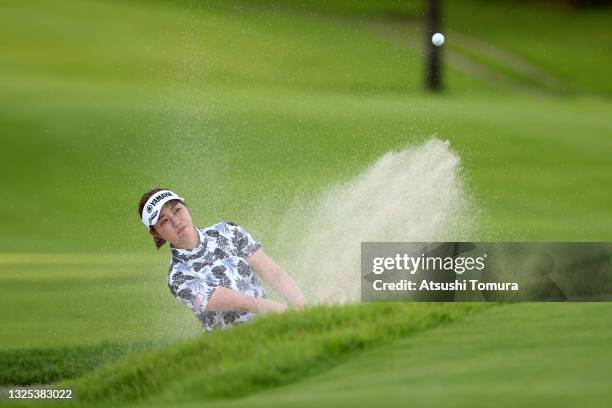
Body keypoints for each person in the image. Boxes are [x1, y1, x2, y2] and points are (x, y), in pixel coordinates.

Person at [138, 188, 306, 331]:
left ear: (186, 208)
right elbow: (245, 303)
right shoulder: (178, 277)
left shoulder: (227, 231)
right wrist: (286, 314)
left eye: (177, 210)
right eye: (164, 221)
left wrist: (305, 312)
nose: (175, 221)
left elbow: (273, 273)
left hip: (270, 323)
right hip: (235, 346)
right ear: (156, 233)